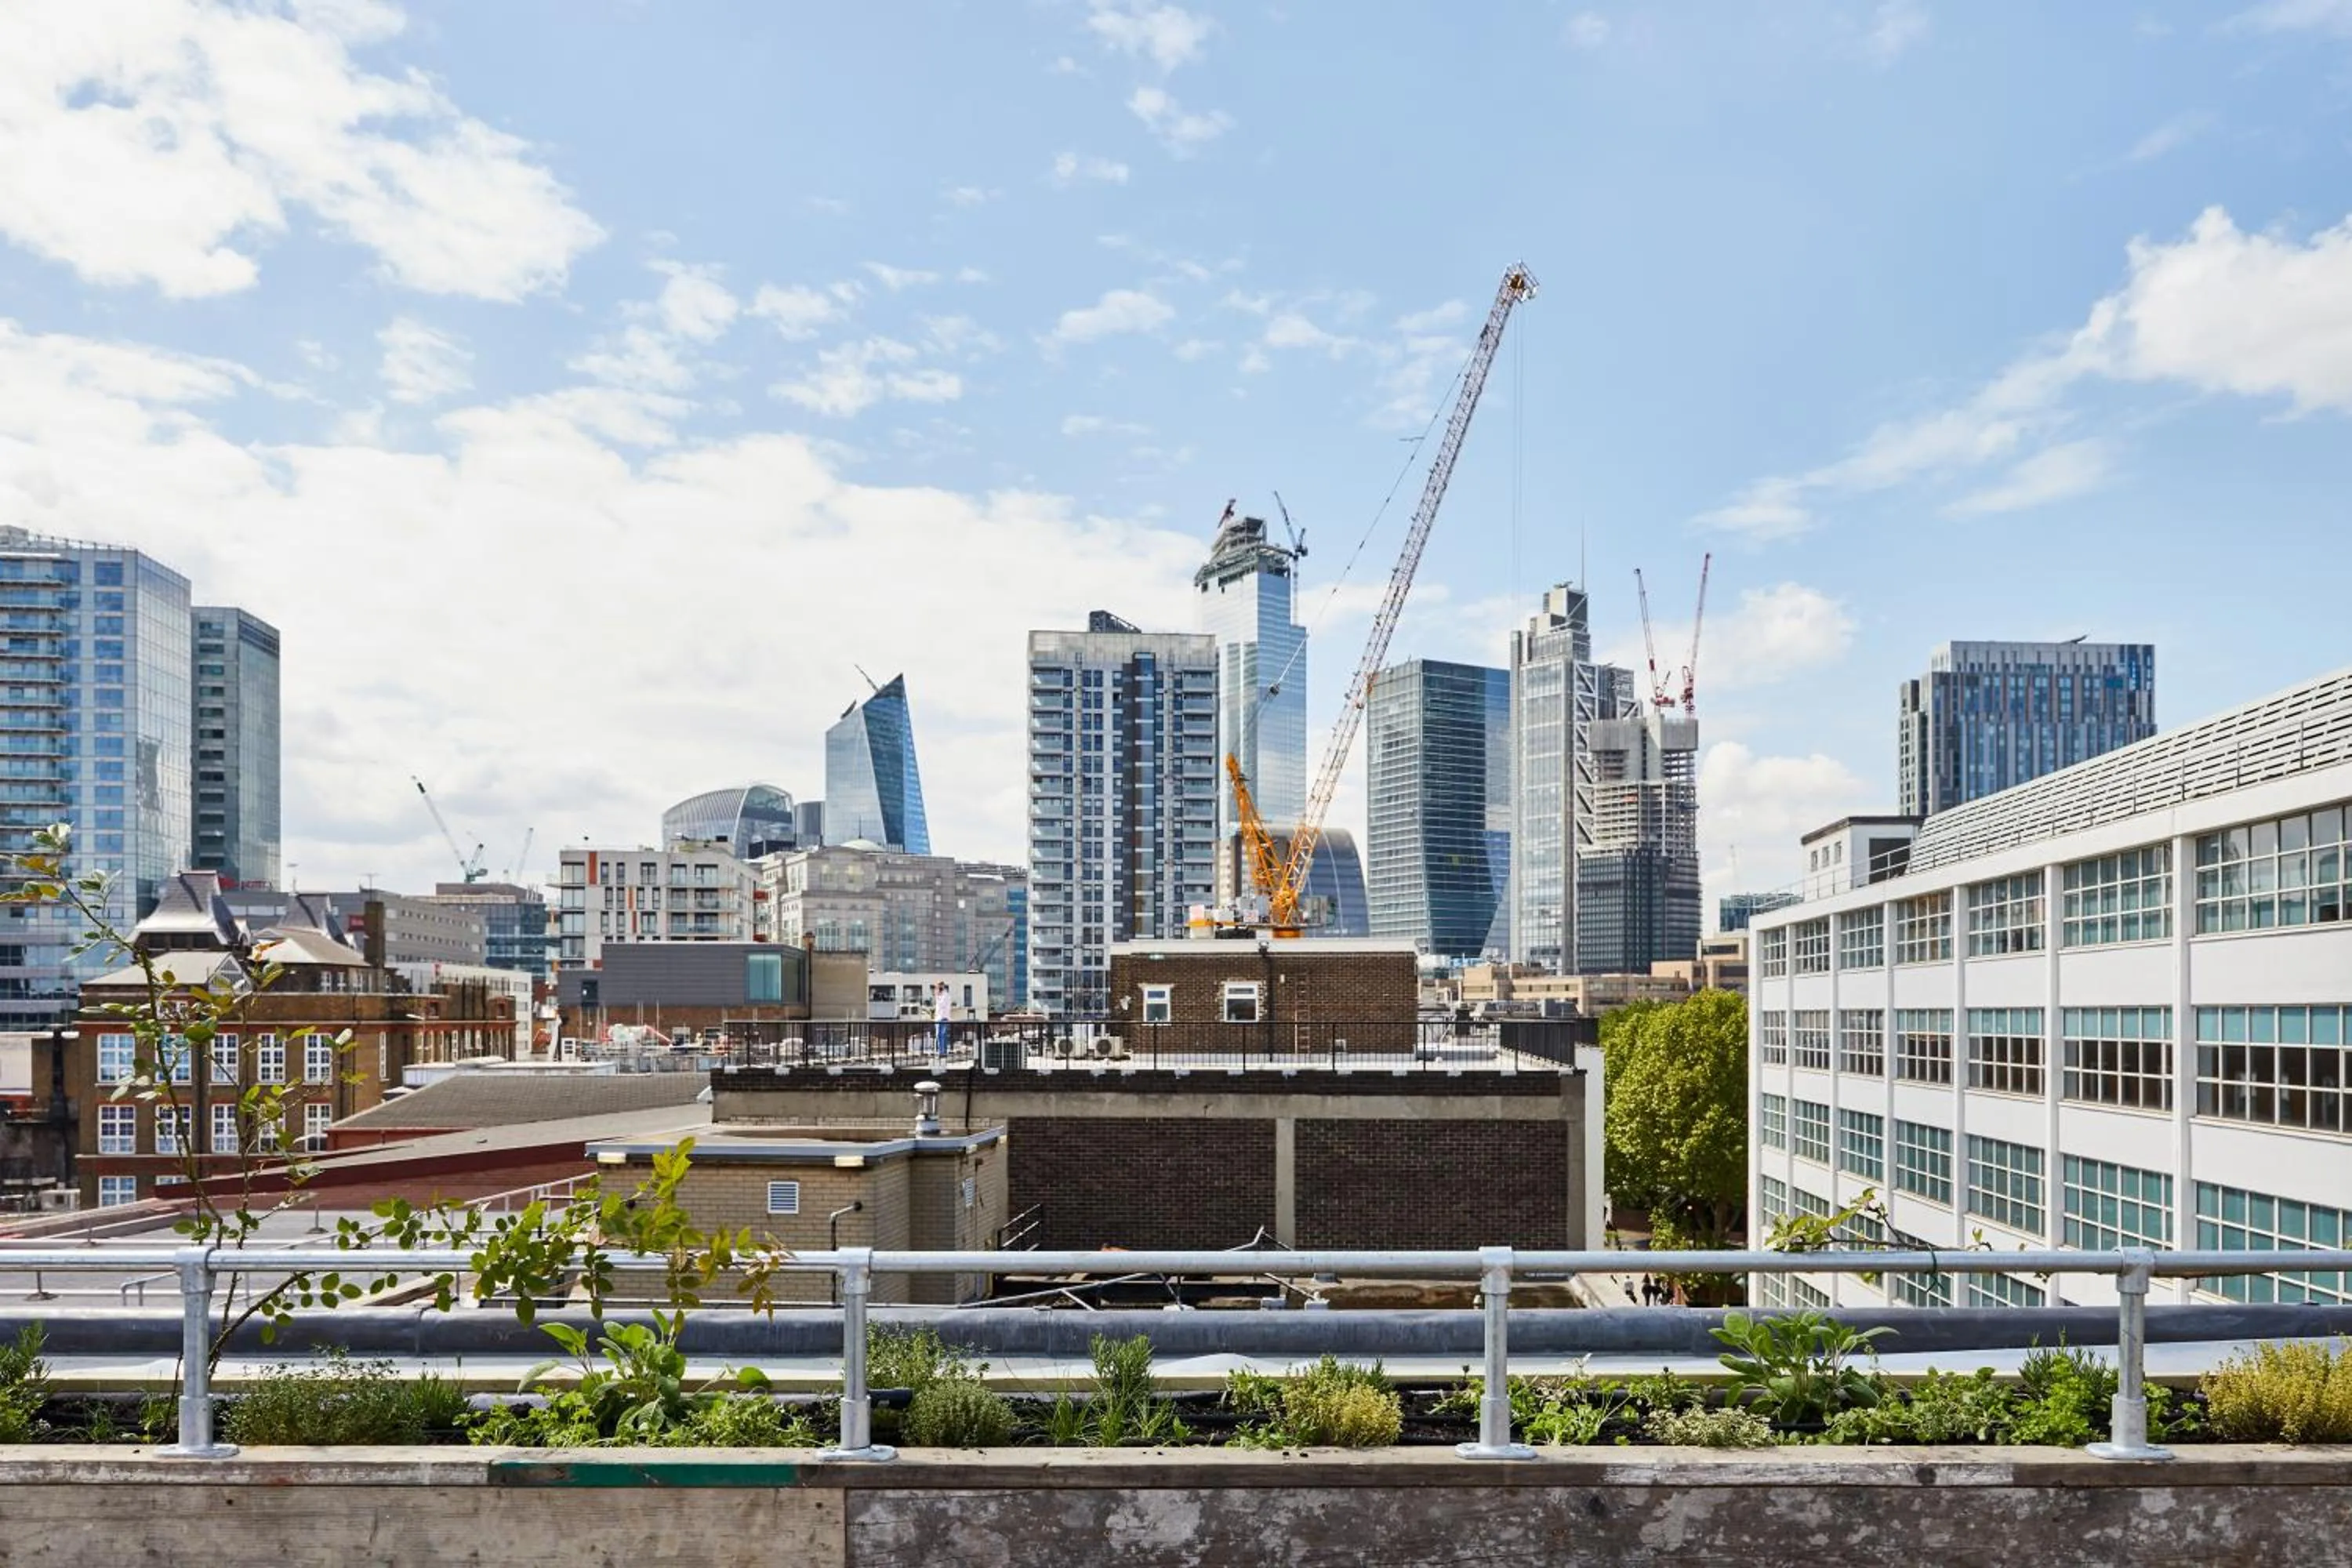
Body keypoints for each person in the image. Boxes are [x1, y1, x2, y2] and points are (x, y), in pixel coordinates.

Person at [933, 980, 953, 1058]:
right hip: (939, 1017)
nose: (937, 989)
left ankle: (942, 1052)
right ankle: (941, 1051)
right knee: (940, 1035)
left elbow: (942, 1005)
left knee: (941, 1035)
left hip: (943, 1017)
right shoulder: (941, 995)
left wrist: (937, 996)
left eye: (938, 987)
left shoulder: (945, 995)